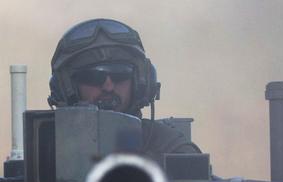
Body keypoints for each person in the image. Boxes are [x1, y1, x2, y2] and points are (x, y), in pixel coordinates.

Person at [48, 18, 202, 162]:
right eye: (93, 77)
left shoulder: (168, 147)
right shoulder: (46, 150)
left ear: (141, 83)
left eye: (120, 74)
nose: (108, 86)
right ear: (67, 88)